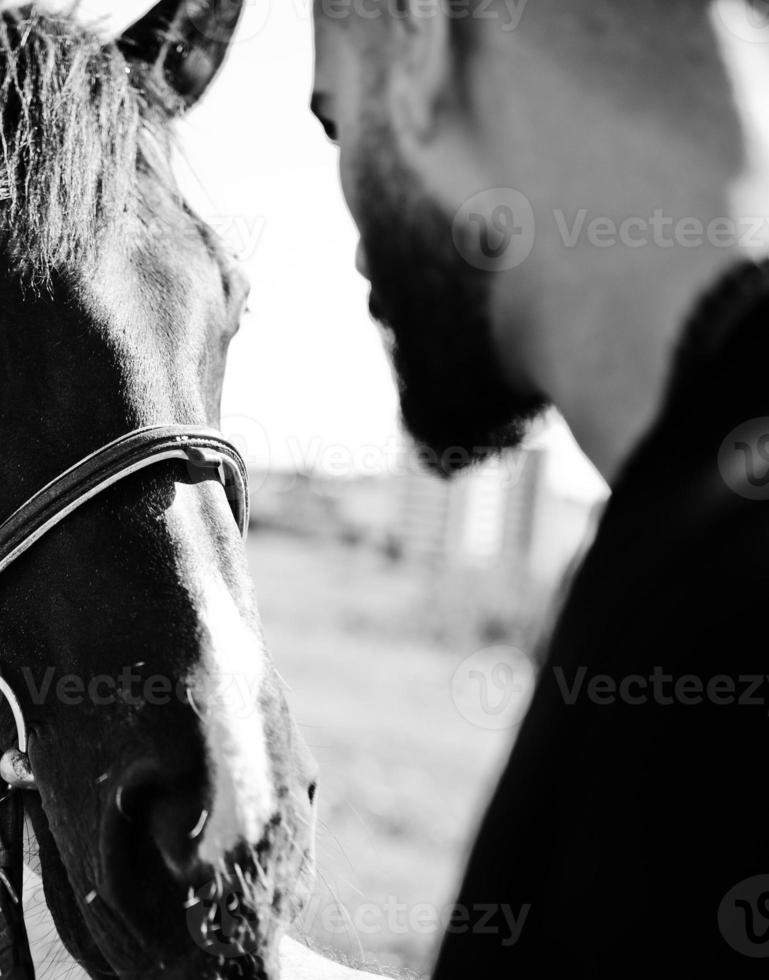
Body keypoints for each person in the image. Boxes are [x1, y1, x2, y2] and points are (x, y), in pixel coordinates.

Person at [308, 0, 769, 976]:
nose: (352, 244)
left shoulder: (719, 597)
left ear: (421, 45)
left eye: (338, 123)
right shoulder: (678, 528)